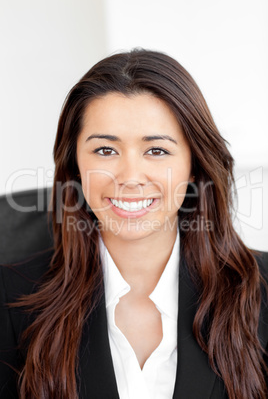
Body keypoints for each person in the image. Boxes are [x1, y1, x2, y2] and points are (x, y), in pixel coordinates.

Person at [0, 49, 267, 399]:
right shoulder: (11, 299)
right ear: (75, 165)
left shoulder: (261, 290)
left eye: (156, 151)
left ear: (195, 165)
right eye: (105, 151)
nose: (129, 178)